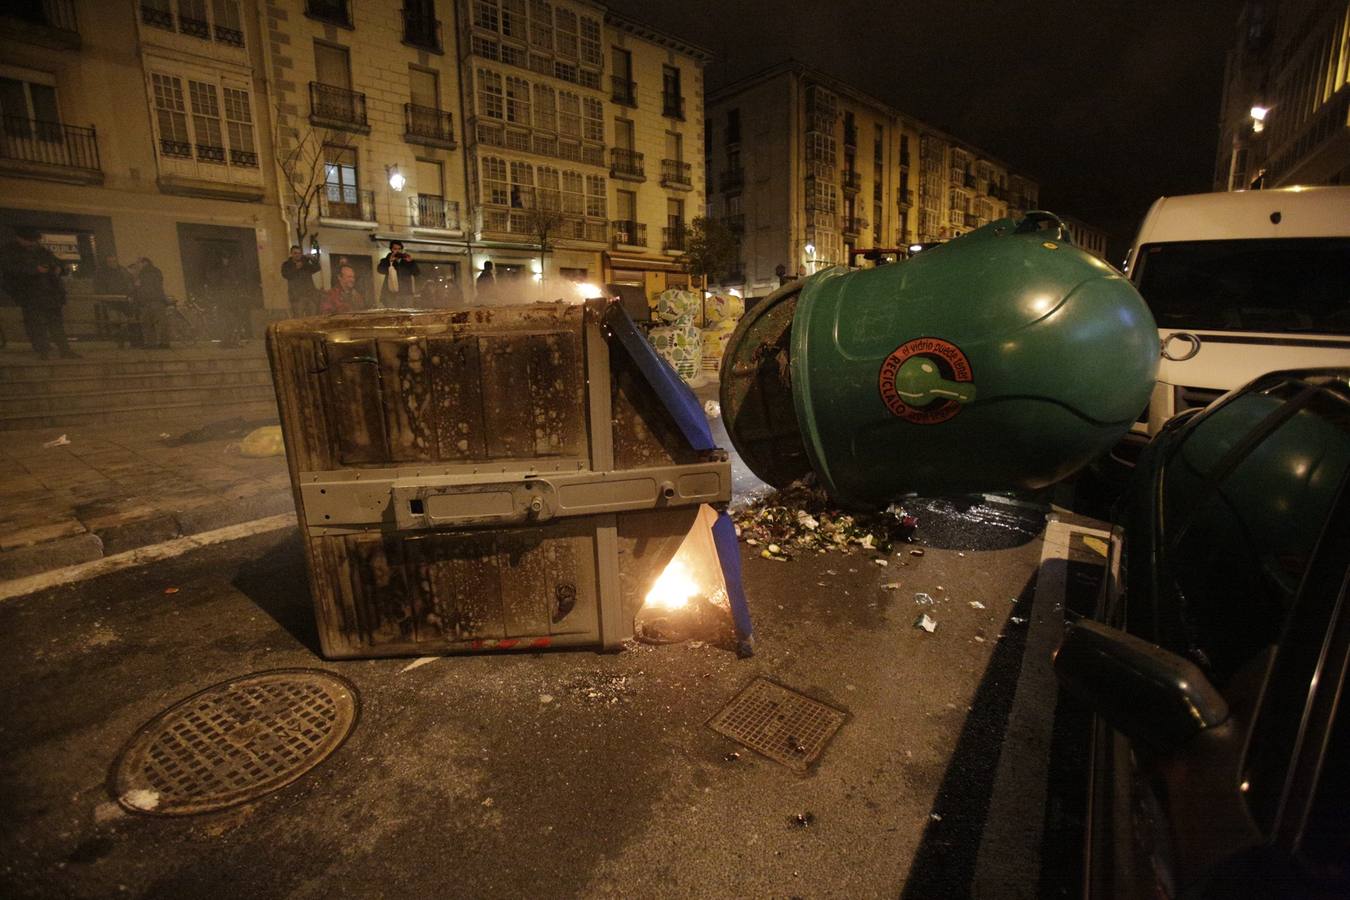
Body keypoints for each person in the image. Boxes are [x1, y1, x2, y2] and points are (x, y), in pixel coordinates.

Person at [0, 226, 79, 359]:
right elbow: (10, 270)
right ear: (20, 238)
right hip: (29, 293)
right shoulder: (9, 251)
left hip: (50, 292)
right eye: (30, 240)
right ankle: (43, 351)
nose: (33, 243)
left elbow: (58, 263)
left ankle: (64, 350)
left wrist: (59, 269)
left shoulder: (40, 250)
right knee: (35, 323)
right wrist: (35, 270)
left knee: (56, 322)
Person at [94, 254, 139, 347]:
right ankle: (120, 341)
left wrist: (130, 294)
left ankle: (130, 340)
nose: (113, 263)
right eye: (110, 261)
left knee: (127, 321)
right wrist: (105, 297)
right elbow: (99, 286)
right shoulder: (102, 273)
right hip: (112, 301)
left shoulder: (122, 271)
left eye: (114, 261)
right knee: (116, 321)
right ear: (107, 262)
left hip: (123, 300)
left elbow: (129, 283)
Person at [131, 257, 171, 349]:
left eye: (139, 263)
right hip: (158, 300)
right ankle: (165, 343)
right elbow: (158, 286)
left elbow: (140, 286)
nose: (138, 266)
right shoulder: (157, 271)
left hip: (147, 301)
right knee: (162, 323)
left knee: (147, 323)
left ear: (144, 263)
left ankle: (150, 343)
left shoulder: (142, 274)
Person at [279, 245, 320, 317]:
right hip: (297, 297)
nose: (297, 255)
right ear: (291, 254)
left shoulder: (305, 264)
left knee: (312, 318)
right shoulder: (287, 264)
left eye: (299, 253)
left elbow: (317, 268)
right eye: (295, 253)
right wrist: (296, 268)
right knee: (298, 319)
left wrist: (313, 259)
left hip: (310, 295)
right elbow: (286, 275)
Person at [377, 240, 420, 306]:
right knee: (393, 314)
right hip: (391, 294)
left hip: (406, 293)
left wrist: (411, 262)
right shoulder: (386, 260)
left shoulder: (406, 261)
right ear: (391, 249)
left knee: (406, 314)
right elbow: (380, 270)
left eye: (399, 249)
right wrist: (389, 261)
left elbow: (417, 273)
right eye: (395, 249)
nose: (397, 251)